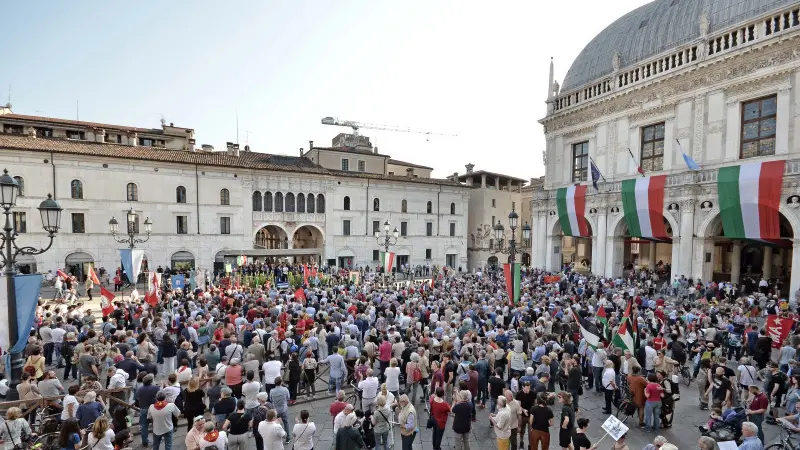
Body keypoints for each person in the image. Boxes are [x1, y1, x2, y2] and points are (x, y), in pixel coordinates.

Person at [269, 376, 291, 443]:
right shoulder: (285, 389)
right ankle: (288, 437)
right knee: (286, 422)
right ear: (281, 382)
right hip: (284, 409)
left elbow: (271, 399)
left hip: (276, 410)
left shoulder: (272, 391)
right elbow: (288, 397)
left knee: (276, 423)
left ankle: (279, 436)